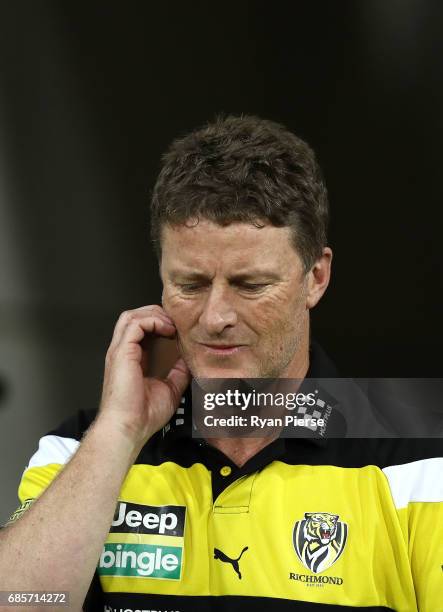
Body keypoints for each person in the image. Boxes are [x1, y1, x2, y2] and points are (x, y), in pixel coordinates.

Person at [0, 115, 442, 612]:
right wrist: (120, 430)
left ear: (315, 277)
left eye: (250, 285)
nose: (215, 318)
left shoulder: (420, 466)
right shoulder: (80, 451)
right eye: (189, 285)